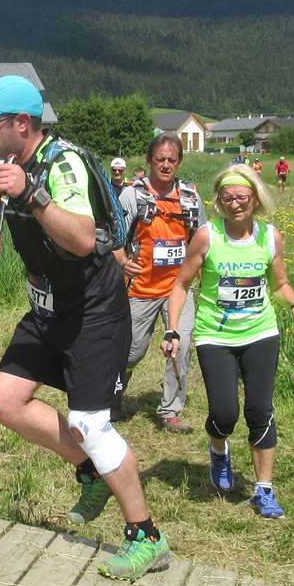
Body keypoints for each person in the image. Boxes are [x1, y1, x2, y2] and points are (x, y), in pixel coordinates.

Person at [0, 75, 169, 582]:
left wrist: (36, 196)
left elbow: (86, 239)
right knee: (3, 401)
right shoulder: (15, 164)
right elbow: (3, 205)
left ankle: (147, 536)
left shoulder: (62, 163)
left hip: (91, 312)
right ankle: (92, 473)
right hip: (47, 309)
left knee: (91, 425)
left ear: (21, 124)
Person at [163, 163, 294, 519]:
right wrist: (172, 329)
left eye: (242, 197)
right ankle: (218, 448)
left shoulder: (270, 236)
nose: (235, 204)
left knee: (260, 410)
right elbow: (181, 284)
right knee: (225, 413)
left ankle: (264, 489)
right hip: (215, 335)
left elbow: (279, 284)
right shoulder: (207, 236)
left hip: (260, 333)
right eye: (228, 198)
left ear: (255, 199)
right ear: (219, 201)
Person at [117, 135, 205, 433]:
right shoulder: (132, 195)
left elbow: (201, 239)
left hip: (178, 289)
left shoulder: (191, 196)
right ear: (149, 160)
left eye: (172, 159)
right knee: (131, 351)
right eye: (160, 159)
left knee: (179, 347)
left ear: (179, 162)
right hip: (140, 288)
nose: (166, 165)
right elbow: (114, 235)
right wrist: (120, 261)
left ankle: (170, 411)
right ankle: (113, 393)